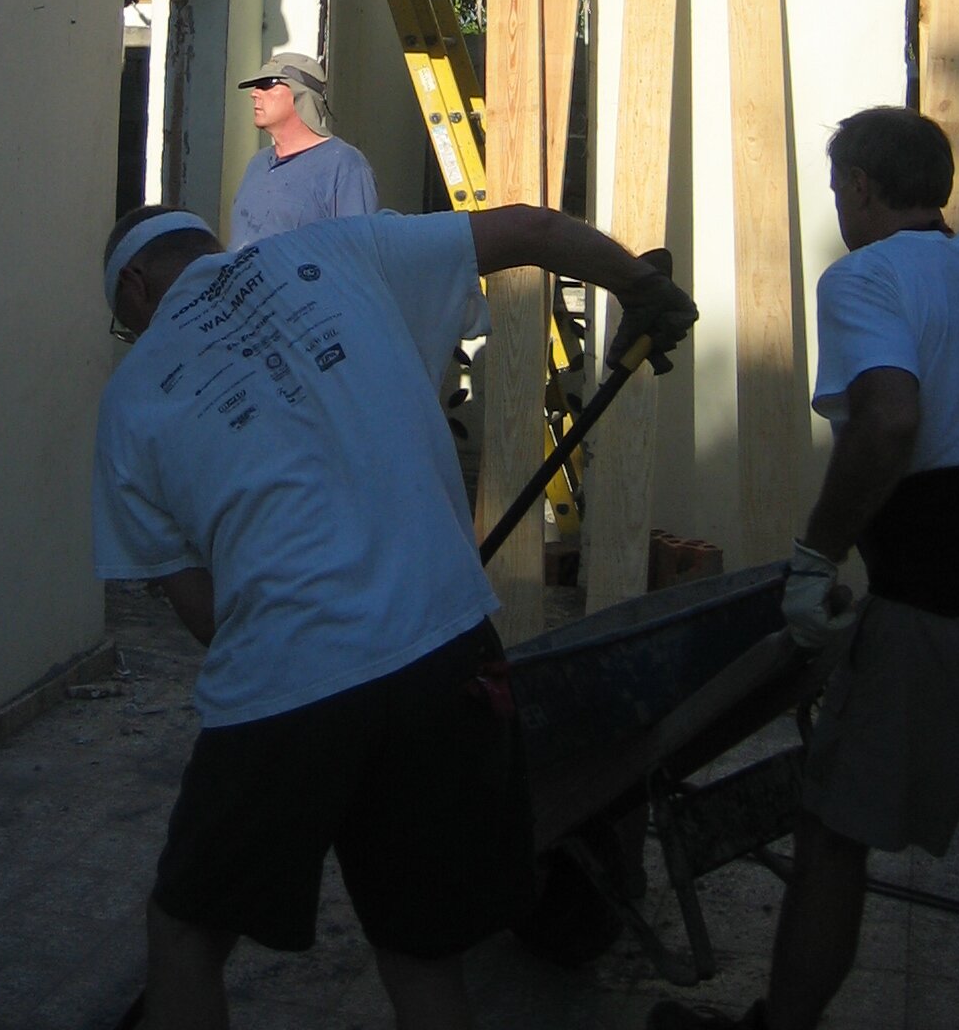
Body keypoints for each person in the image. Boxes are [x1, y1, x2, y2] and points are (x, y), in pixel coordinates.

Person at [95, 199, 698, 1030]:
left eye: (124, 322)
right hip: (447, 649)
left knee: (185, 933)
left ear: (134, 284)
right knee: (421, 952)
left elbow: (204, 614)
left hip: (285, 682)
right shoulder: (338, 251)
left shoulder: (128, 402)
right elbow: (531, 229)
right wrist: (639, 287)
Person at [649, 106, 959, 1030]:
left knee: (833, 840)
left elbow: (890, 419)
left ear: (861, 188)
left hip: (938, 618)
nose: (840, 205)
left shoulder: (866, 279)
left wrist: (815, 557)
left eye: (839, 189)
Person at [228, 51, 377, 246]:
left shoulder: (344, 165)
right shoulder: (258, 163)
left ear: (300, 93)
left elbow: (357, 251)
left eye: (267, 84)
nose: (254, 94)